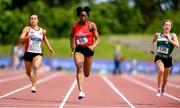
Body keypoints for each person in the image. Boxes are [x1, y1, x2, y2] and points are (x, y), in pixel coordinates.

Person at [19, 14, 55, 93]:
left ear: (37, 20)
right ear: (29, 20)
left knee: (36, 66)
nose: (33, 20)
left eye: (35, 19)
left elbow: (45, 39)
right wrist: (26, 37)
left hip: (38, 53)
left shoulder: (42, 31)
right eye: (31, 19)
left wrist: (49, 48)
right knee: (28, 73)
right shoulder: (27, 29)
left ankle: (34, 86)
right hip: (28, 52)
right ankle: (31, 76)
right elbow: (20, 39)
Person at [70, 6, 100, 99]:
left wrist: (93, 46)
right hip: (79, 49)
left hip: (89, 50)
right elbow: (71, 36)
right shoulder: (75, 26)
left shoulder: (91, 25)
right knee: (79, 68)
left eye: (85, 16)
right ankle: (81, 91)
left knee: (86, 73)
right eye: (81, 16)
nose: (83, 18)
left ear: (87, 16)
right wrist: (72, 45)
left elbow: (98, 38)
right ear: (79, 15)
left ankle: (82, 87)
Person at [150, 19, 179, 97]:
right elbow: (153, 41)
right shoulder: (158, 35)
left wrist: (169, 40)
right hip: (159, 57)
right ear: (163, 26)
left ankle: (163, 88)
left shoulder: (173, 35)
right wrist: (152, 49)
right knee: (161, 70)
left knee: (165, 79)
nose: (167, 26)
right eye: (166, 25)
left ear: (171, 27)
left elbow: (177, 45)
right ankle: (158, 88)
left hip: (168, 59)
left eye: (169, 25)